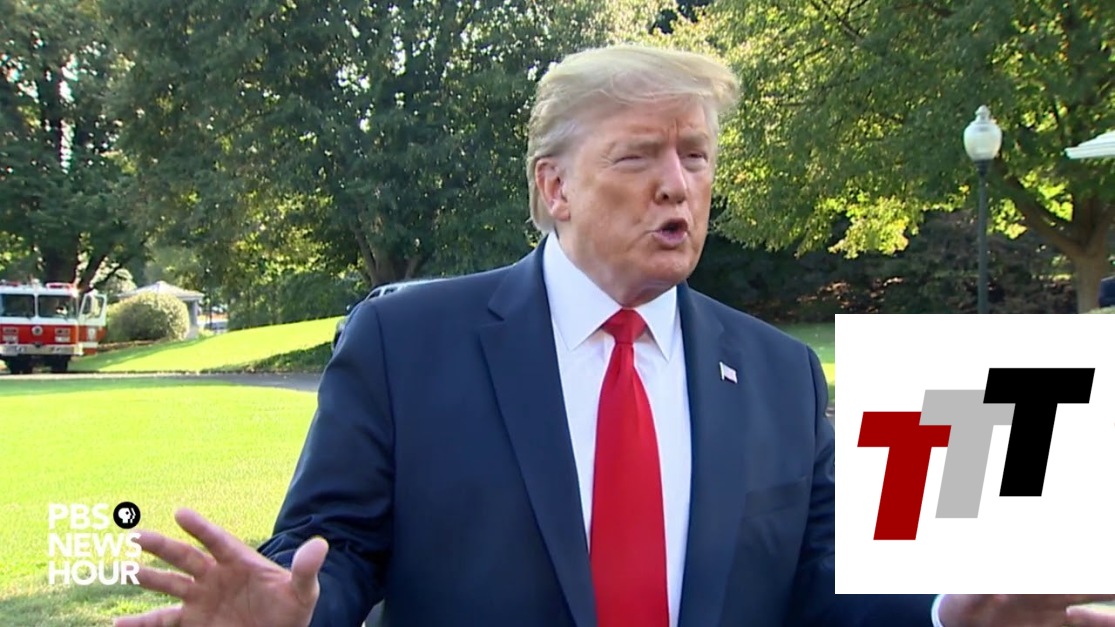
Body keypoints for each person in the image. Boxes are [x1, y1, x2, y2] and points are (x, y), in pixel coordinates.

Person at [114, 45, 1115, 627]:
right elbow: (332, 556)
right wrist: (292, 612)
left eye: (695, 156)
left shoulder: (778, 373)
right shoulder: (404, 341)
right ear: (553, 186)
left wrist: (949, 609)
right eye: (638, 156)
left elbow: (823, 589)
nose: (676, 184)